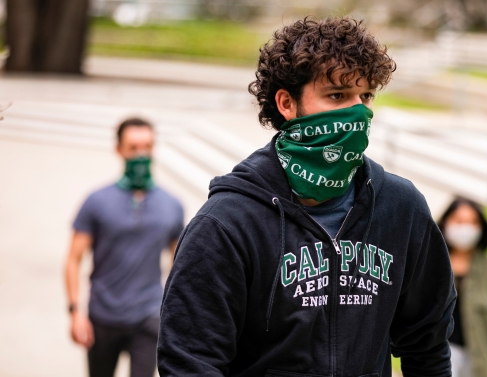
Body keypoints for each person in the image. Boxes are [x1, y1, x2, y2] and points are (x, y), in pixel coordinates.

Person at [158, 17, 457, 377]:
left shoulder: (401, 207)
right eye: (337, 96)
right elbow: (190, 361)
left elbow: (428, 345)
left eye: (365, 97)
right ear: (286, 103)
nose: (357, 112)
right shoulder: (226, 223)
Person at [65, 117, 184, 377]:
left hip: (148, 316)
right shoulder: (96, 202)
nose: (141, 155)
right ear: (118, 149)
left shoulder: (172, 205)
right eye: (133, 147)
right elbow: (74, 259)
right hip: (103, 316)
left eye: (147, 147)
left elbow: (180, 264)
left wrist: (177, 314)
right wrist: (75, 312)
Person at [437, 197, 487, 377]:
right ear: (446, 223)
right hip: (441, 357)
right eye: (459, 221)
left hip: (482, 360)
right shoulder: (432, 266)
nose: (465, 228)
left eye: (472, 222)